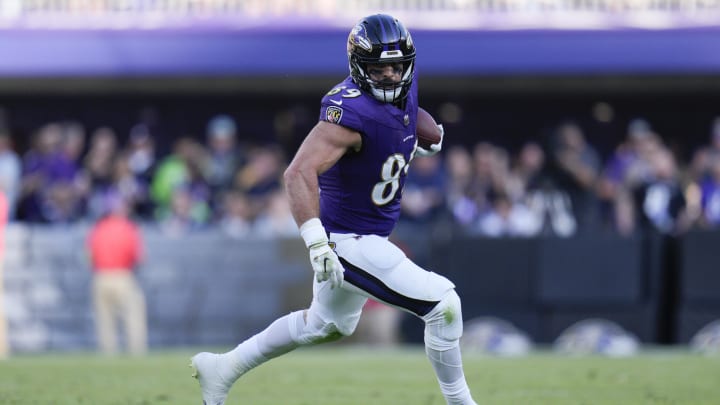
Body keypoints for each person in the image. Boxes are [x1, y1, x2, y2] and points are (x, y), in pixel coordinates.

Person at [191, 14, 478, 405]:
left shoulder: (399, 86)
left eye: (398, 66)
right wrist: (316, 244)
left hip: (369, 234)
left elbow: (406, 113)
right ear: (360, 69)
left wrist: (420, 135)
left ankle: (222, 369)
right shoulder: (348, 114)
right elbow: (297, 173)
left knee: (324, 325)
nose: (393, 77)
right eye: (381, 70)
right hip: (347, 243)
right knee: (444, 305)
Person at [87, 197, 147, 355]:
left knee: (105, 321)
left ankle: (108, 352)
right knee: (132, 317)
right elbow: (139, 257)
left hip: (101, 276)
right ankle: (136, 351)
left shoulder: (99, 228)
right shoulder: (129, 228)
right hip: (123, 275)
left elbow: (89, 256)